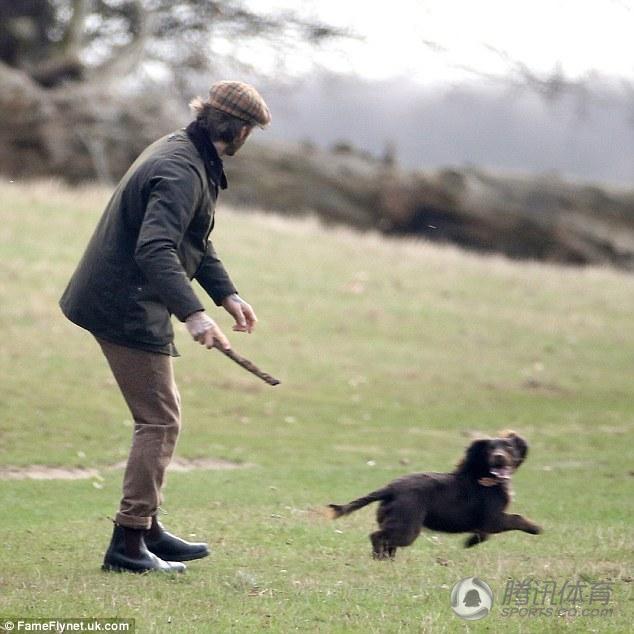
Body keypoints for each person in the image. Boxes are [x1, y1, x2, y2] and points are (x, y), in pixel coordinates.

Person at [59, 80, 271, 573]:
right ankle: (129, 543)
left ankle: (147, 526)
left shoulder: (190, 154)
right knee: (158, 420)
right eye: (251, 132)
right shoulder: (181, 168)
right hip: (123, 303)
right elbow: (155, 249)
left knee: (163, 413)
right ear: (239, 130)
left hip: (126, 295)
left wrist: (227, 294)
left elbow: (191, 236)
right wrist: (195, 315)